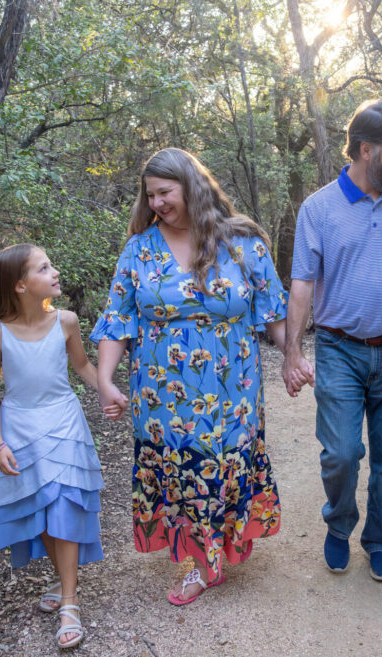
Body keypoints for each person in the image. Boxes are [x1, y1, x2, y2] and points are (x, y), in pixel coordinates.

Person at [93, 147, 287, 606]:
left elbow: (272, 309)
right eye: (151, 195)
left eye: (165, 192)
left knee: (224, 464)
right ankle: (203, 555)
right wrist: (105, 379)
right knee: (180, 470)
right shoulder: (140, 248)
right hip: (162, 394)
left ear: (191, 186)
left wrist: (294, 356)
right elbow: (117, 318)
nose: (157, 202)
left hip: (231, 391)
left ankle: (212, 552)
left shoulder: (243, 243)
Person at [283, 100, 382, 582]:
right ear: (366, 149)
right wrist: (292, 351)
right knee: (341, 452)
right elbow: (303, 285)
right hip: (339, 349)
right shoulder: (318, 208)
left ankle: (379, 539)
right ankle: (339, 526)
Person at [0, 244, 115, 649]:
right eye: (44, 268)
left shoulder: (67, 321)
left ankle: (69, 603)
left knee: (65, 503)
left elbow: (82, 367)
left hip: (64, 422)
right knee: (41, 512)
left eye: (51, 264)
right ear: (21, 285)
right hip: (20, 427)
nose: (54, 272)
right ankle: (64, 581)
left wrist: (107, 390)